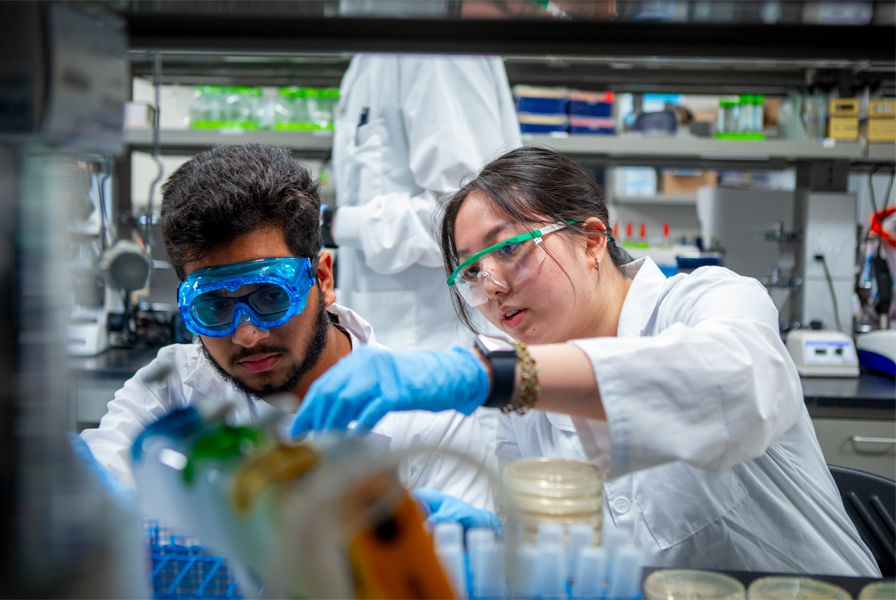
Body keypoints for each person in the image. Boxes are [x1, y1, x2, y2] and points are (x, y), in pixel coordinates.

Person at [292, 147, 880, 576]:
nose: (490, 285)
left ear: (593, 238)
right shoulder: (522, 406)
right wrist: (498, 540)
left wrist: (496, 376)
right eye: (470, 271)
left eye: (511, 250)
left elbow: (736, 384)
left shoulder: (708, 302)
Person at [79, 144, 498, 530]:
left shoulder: (430, 421)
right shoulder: (170, 386)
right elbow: (91, 497)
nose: (246, 334)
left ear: (322, 278)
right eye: (214, 307)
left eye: (269, 296)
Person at [327, 53, 521, 351]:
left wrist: (334, 225)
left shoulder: (438, 56)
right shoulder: (370, 55)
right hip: (385, 336)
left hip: (437, 341)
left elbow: (472, 215)